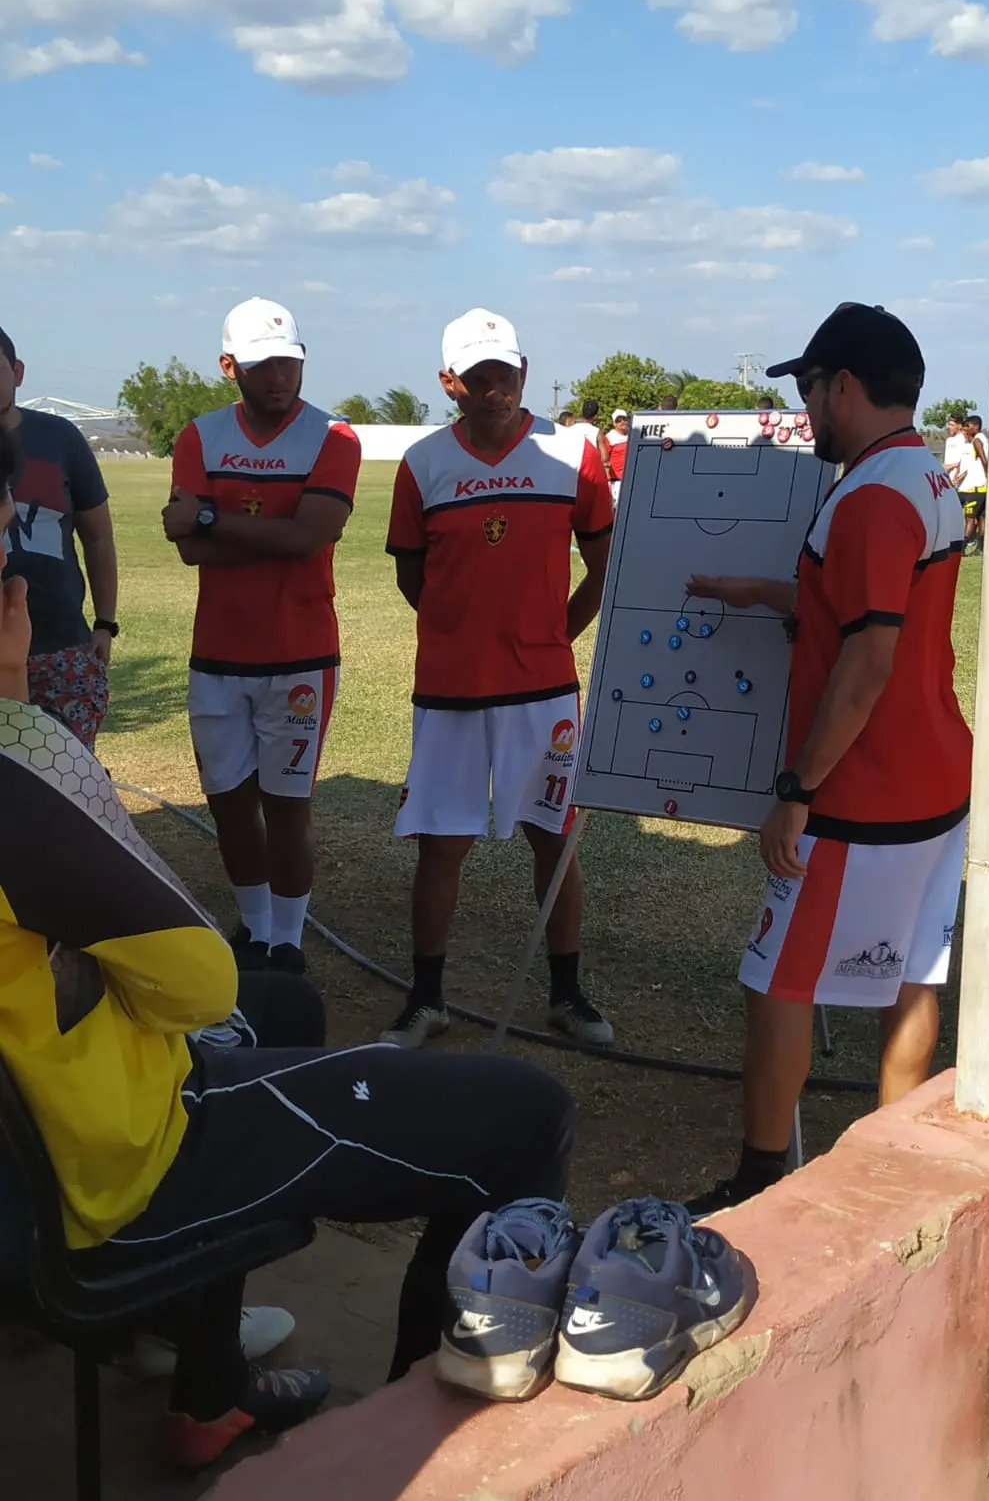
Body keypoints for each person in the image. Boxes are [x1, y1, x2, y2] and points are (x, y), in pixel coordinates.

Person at [0, 420, 573, 1470]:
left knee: (289, 1006)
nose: (23, 592)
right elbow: (195, 981)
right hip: (119, 1165)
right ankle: (399, 1453)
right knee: (530, 1115)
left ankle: (204, 1377)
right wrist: (24, 724)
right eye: (8, 559)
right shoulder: (15, 774)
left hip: (39, 1143)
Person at [684, 303, 973, 1215]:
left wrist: (798, 788)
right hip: (935, 777)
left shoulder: (872, 496)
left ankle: (760, 1182)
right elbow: (867, 610)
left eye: (809, 388)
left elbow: (868, 660)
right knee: (913, 978)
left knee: (777, 984)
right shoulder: (924, 475)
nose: (804, 408)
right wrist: (765, 592)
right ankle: (895, 1170)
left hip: (863, 793)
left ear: (843, 385)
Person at [383, 308, 614, 1049]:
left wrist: (553, 637)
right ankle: (426, 1000)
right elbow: (413, 576)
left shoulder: (572, 453)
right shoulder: (423, 463)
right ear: (449, 382)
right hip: (450, 692)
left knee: (555, 837)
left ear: (524, 372)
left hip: (543, 694)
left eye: (506, 374)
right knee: (441, 844)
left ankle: (567, 995)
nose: (496, 390)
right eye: (478, 377)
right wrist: (462, 633)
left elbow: (605, 568)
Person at [162, 298, 361, 975]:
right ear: (230, 367)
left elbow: (309, 537)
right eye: (263, 364)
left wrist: (210, 519)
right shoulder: (200, 436)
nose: (280, 376)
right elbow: (189, 551)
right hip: (218, 655)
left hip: (300, 654)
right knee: (227, 803)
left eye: (289, 362)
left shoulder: (334, 437)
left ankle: (288, 942)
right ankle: (253, 929)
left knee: (287, 806)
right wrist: (266, 535)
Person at [0, 326, 118, 749]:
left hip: (61, 647)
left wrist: (105, 624)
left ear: (17, 372)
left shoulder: (60, 438)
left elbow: (98, 537)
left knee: (64, 768)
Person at [960, 413, 989, 554]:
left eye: (968, 426)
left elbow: (984, 461)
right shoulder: (984, 439)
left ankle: (962, 548)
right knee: (981, 517)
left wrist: (988, 475)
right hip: (982, 487)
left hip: (976, 487)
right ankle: (981, 548)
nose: (965, 429)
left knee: (970, 518)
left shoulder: (977, 440)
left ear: (976, 427)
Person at [599, 408, 631, 505]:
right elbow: (603, 459)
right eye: (619, 420)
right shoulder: (610, 438)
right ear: (614, 423)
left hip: (631, 478)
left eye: (624, 419)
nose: (622, 422)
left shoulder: (633, 435)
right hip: (617, 481)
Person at [942, 413, 969, 490]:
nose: (949, 427)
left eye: (952, 425)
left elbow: (964, 463)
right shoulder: (948, 440)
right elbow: (946, 463)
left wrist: (956, 478)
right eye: (949, 425)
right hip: (948, 482)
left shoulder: (964, 440)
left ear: (959, 426)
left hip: (959, 484)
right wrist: (951, 466)